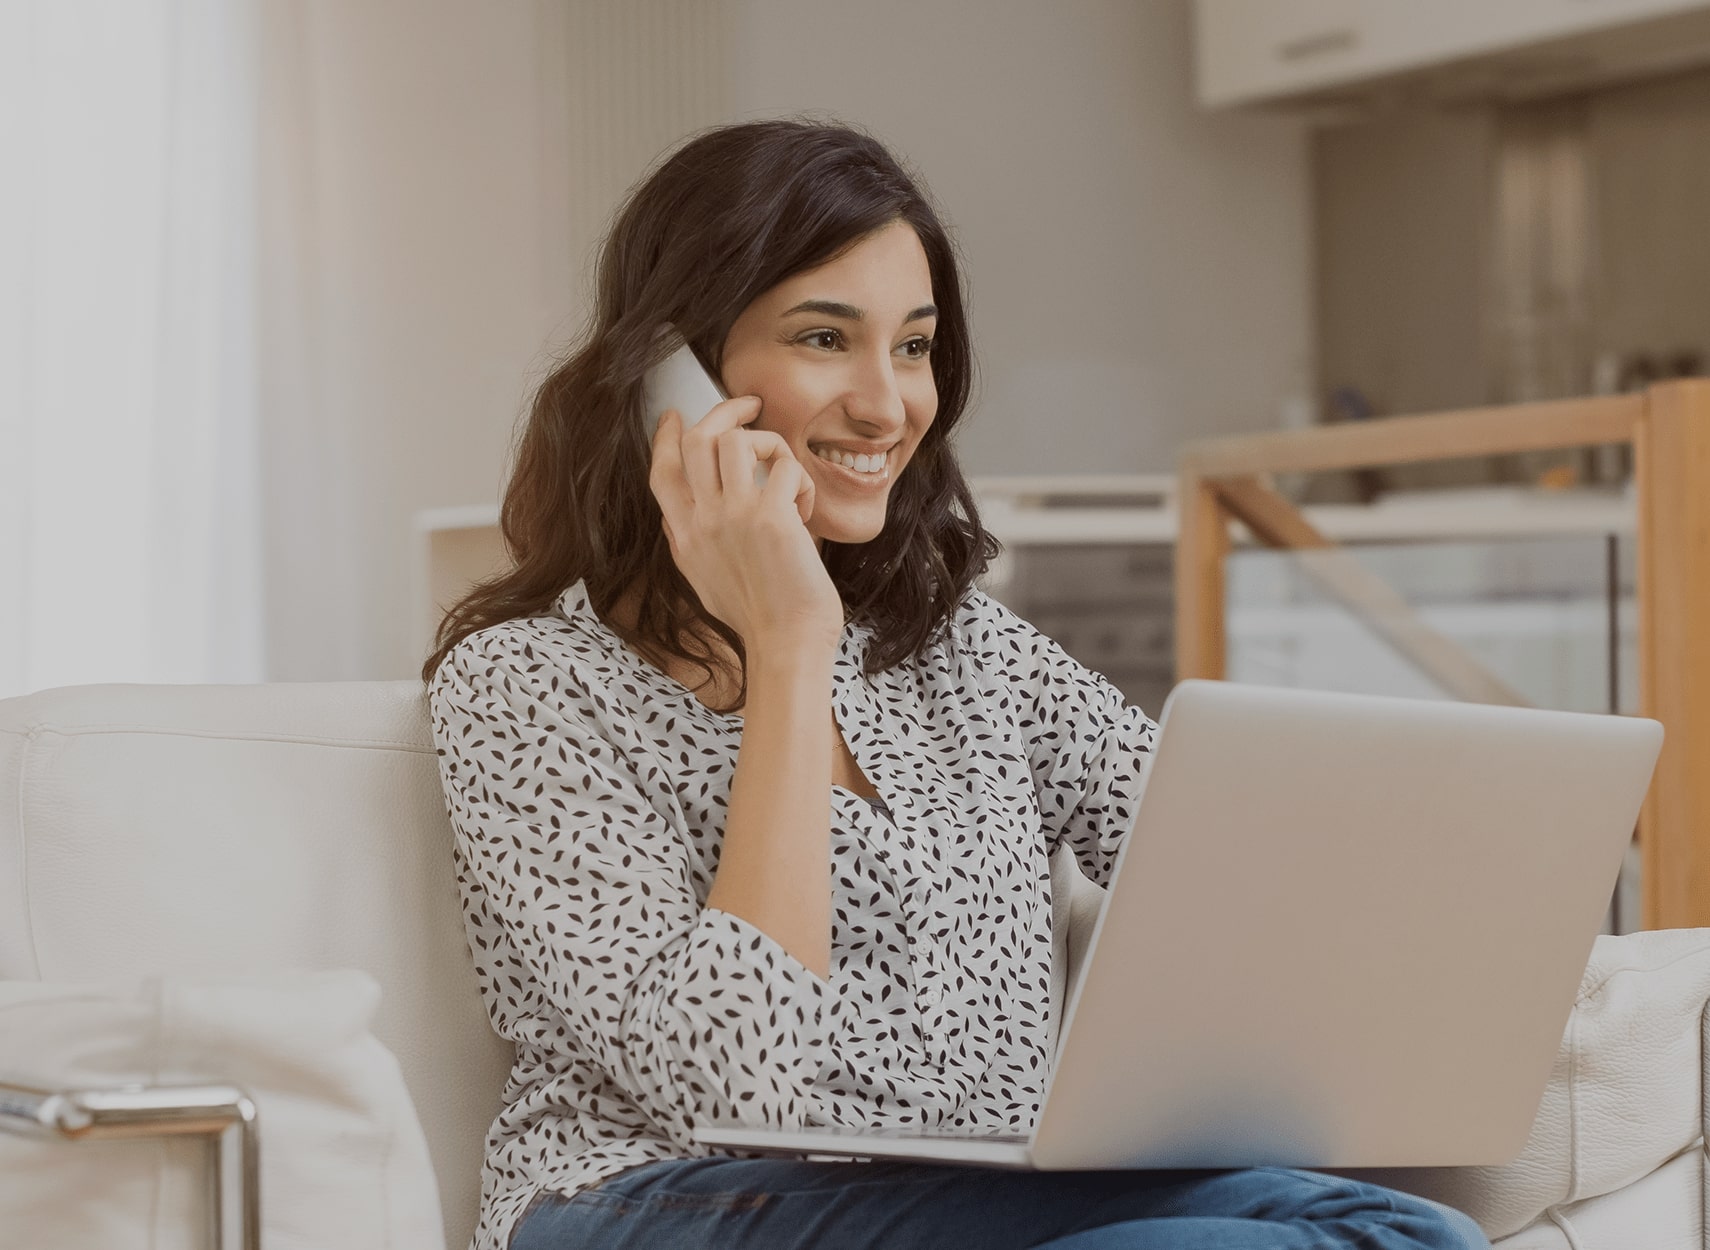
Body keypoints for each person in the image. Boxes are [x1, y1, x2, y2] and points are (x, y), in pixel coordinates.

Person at [423, 118, 1488, 1250]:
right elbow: (730, 1085)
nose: (888, 405)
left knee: (1385, 1235)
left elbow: (1227, 864)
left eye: (916, 346)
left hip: (978, 1202)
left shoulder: (968, 650)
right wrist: (789, 647)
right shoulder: (527, 682)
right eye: (826, 337)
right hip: (664, 1203)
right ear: (670, 378)